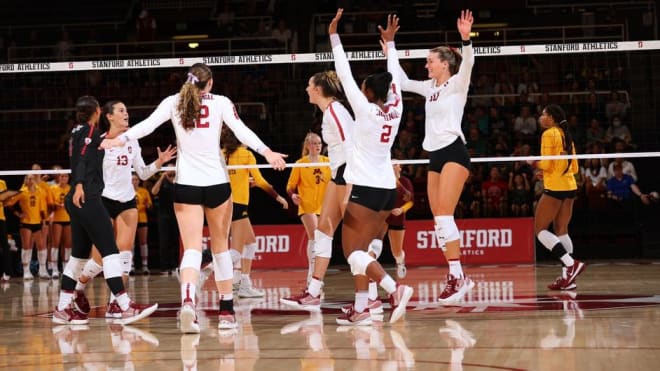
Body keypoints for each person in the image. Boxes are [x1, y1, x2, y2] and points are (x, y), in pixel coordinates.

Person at [100, 63, 287, 333]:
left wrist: (119, 140)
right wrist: (266, 151)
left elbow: (147, 126)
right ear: (209, 84)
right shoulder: (221, 102)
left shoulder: (173, 101)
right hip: (217, 185)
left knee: (191, 249)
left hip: (187, 184)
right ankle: (226, 312)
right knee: (221, 248)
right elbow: (241, 130)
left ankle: (188, 302)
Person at [329, 9, 413, 325]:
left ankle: (394, 290)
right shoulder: (396, 109)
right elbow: (394, 82)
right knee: (362, 252)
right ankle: (362, 307)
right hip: (386, 189)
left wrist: (334, 36)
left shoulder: (363, 110)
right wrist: (390, 45)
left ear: (367, 92)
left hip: (364, 188)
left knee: (352, 252)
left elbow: (343, 72)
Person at [390, 9, 475, 303]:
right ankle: (458, 275)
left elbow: (468, 65)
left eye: (429, 61)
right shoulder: (430, 87)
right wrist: (390, 47)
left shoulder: (456, 84)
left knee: (445, 215)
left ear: (444, 65)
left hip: (454, 151)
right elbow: (400, 81)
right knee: (438, 219)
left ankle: (457, 276)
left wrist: (465, 39)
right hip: (435, 155)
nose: (425, 65)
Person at [53, 95, 158, 325]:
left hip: (79, 198)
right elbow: (80, 161)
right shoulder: (91, 133)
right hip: (89, 198)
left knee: (79, 256)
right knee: (110, 252)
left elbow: (80, 159)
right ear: (100, 112)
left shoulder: (76, 132)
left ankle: (61, 309)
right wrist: (80, 184)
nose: (125, 113)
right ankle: (123, 305)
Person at [73, 100, 175, 320]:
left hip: (127, 201)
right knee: (100, 260)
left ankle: (115, 305)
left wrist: (159, 162)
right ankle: (78, 288)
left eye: (127, 110)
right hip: (103, 201)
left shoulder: (133, 141)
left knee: (125, 256)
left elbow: (144, 173)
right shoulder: (98, 142)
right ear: (109, 116)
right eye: (121, 111)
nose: (126, 113)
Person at [279, 70, 354, 311]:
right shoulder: (329, 112)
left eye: (309, 85)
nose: (306, 89)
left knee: (354, 240)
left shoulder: (335, 112)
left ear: (319, 90)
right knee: (323, 232)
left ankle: (383, 291)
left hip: (348, 174)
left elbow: (351, 145)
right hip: (339, 174)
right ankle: (313, 290)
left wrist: (352, 181)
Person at [221, 127, 288, 298]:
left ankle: (244, 283)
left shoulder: (221, 153)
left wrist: (243, 180)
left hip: (223, 204)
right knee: (235, 251)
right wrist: (278, 197)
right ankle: (201, 270)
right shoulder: (246, 154)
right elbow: (261, 181)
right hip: (238, 205)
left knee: (250, 244)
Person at [530, 104, 586, 291]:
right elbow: (574, 168)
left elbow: (546, 163)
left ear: (552, 118)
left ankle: (570, 264)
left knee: (539, 229)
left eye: (544, 114)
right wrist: (546, 172)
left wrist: (533, 163)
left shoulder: (549, 134)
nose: (540, 117)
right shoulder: (565, 134)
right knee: (561, 230)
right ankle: (568, 279)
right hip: (570, 186)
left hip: (555, 187)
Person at [286, 132, 331, 284]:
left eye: (319, 143)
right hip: (307, 205)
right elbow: (290, 187)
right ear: (307, 146)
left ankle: (315, 276)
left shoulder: (327, 162)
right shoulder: (300, 163)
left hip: (324, 206)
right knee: (316, 236)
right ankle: (312, 276)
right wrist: (293, 196)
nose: (317, 146)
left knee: (321, 240)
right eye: (314, 143)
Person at [4, 174, 48, 279]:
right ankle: (26, 271)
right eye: (27, 178)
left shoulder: (40, 191)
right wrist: (18, 214)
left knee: (41, 246)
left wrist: (44, 221)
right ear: (25, 180)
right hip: (26, 223)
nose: (30, 180)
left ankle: (42, 270)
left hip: (37, 222)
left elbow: (42, 208)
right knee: (26, 246)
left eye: (31, 178)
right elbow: (8, 203)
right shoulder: (22, 192)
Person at [151, 165, 179, 275]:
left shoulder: (178, 180)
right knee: (164, 242)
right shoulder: (162, 181)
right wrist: (162, 177)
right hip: (163, 215)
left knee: (175, 241)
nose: (170, 170)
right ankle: (164, 267)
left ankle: (175, 266)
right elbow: (154, 191)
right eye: (168, 168)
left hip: (176, 215)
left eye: (173, 168)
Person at [50, 172, 72, 277]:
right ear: (58, 178)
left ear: (68, 178)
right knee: (55, 243)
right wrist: (56, 205)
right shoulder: (53, 188)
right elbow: (50, 203)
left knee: (67, 244)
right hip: (56, 219)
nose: (63, 178)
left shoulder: (71, 189)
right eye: (61, 176)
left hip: (68, 218)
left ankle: (66, 268)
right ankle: (54, 269)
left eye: (66, 176)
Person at [132, 174, 153, 274]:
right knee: (130, 243)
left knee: (143, 242)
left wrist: (147, 204)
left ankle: (145, 265)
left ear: (139, 181)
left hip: (142, 218)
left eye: (136, 179)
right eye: (132, 180)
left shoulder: (144, 191)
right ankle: (130, 265)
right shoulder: (126, 191)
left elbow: (150, 206)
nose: (134, 181)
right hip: (130, 219)